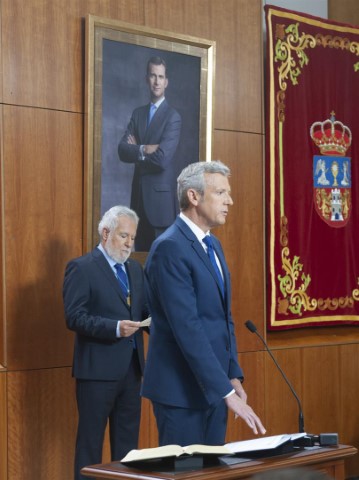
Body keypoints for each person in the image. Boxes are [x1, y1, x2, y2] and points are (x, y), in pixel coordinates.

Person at [141, 161, 266, 446]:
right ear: (193, 197)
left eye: (228, 193)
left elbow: (224, 318)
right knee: (187, 474)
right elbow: (187, 328)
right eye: (221, 193)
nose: (230, 201)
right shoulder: (170, 247)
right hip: (181, 393)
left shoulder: (213, 245)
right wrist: (224, 390)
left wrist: (232, 375)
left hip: (213, 389)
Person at [63, 206, 149, 480]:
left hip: (132, 372)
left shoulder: (135, 270)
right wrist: (114, 328)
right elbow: (74, 317)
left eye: (132, 238)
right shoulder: (82, 268)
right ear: (105, 233)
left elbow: (144, 312)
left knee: (128, 450)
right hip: (96, 374)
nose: (129, 244)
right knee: (90, 447)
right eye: (124, 236)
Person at [118, 56, 182, 251]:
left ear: (166, 82)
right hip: (138, 201)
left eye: (160, 77)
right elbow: (122, 150)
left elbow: (162, 159)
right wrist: (146, 148)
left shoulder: (173, 117)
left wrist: (137, 149)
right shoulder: (137, 114)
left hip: (160, 208)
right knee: (140, 262)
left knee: (161, 265)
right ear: (147, 78)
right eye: (153, 76)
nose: (156, 81)